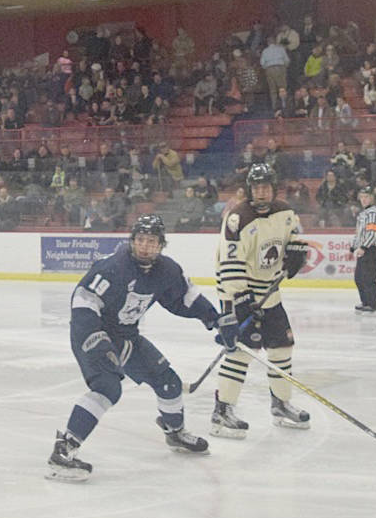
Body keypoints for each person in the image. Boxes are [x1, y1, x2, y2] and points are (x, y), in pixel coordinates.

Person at [46, 215, 232, 482]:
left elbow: (185, 298)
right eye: (141, 240)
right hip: (92, 335)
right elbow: (84, 299)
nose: (146, 246)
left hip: (125, 337)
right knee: (108, 387)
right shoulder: (113, 268)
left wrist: (216, 319)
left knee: (168, 381)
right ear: (132, 241)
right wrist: (94, 337)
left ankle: (175, 432)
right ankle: (64, 450)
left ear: (161, 245)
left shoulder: (167, 270)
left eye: (152, 241)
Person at [212, 163, 312, 438]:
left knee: (281, 347)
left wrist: (295, 255)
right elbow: (229, 262)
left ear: (274, 188)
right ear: (249, 189)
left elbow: (294, 240)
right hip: (237, 294)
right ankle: (222, 412)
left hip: (269, 292)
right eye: (256, 188)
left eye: (266, 187)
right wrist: (241, 302)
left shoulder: (285, 212)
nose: (262, 192)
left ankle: (280, 404)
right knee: (240, 351)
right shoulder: (237, 218)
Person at [351, 187, 376, 313]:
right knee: (359, 277)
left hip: (372, 249)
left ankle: (374, 304)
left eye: (366, 197)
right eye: (362, 197)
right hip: (364, 249)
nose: (363, 200)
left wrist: (364, 247)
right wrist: (353, 246)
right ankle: (366, 302)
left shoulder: (373, 213)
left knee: (368, 278)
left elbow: (373, 233)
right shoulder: (363, 214)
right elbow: (359, 233)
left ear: (372, 198)